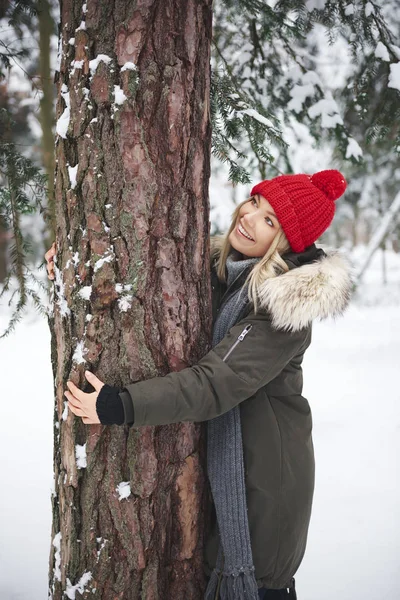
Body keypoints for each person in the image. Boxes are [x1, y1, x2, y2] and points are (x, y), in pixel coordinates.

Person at [45, 169, 354, 600]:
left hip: (262, 494)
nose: (249, 218)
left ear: (287, 244)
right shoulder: (218, 272)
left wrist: (122, 404)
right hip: (221, 477)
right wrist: (74, 268)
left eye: (270, 221)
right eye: (255, 204)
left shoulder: (283, 312)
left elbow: (214, 384)